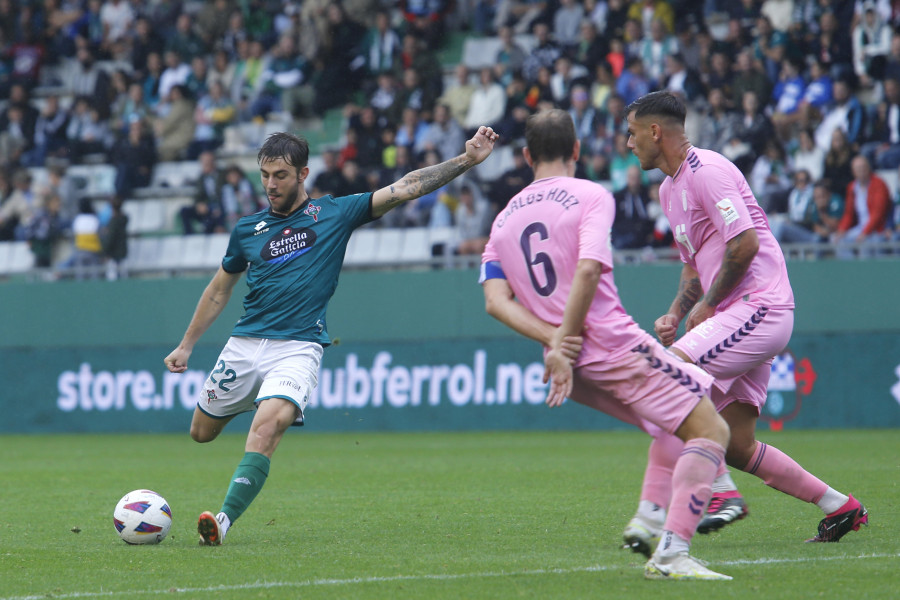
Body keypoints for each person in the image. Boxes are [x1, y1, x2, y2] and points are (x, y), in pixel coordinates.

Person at [163, 125, 498, 546]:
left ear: (303, 175)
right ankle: (262, 398)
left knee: (269, 428)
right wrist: (187, 344)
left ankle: (223, 522)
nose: (270, 184)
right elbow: (219, 289)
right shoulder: (248, 230)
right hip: (245, 345)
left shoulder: (336, 213)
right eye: (264, 175)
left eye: (280, 175)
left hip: (298, 348)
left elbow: (406, 187)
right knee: (201, 433)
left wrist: (466, 159)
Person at [480, 108, 732, 581]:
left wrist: (554, 343)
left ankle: (651, 518)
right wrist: (566, 339)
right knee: (711, 431)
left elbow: (495, 302)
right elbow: (589, 270)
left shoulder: (503, 220)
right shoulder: (591, 195)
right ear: (576, 150)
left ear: (526, 155)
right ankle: (673, 554)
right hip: (614, 348)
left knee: (672, 426)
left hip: (573, 368)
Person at [623, 90, 867, 546]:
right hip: (738, 317)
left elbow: (746, 244)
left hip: (759, 306)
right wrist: (677, 311)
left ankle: (720, 495)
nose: (628, 143)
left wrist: (710, 305)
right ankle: (840, 507)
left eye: (633, 132)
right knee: (736, 444)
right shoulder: (668, 187)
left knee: (671, 373)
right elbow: (695, 262)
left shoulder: (707, 172)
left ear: (655, 131)